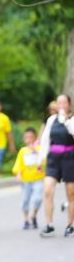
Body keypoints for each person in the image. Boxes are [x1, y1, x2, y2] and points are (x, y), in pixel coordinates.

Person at [38, 93, 74, 237]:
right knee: (47, 190)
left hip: (70, 158)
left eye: (64, 103)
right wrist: (40, 159)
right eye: (59, 103)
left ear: (69, 105)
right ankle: (49, 224)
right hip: (53, 158)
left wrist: (66, 121)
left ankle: (70, 224)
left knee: (71, 194)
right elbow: (45, 140)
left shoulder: (71, 120)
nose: (61, 106)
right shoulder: (51, 120)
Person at [12, 127, 45, 229]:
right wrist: (18, 174)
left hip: (38, 179)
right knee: (25, 201)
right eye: (27, 137)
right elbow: (18, 165)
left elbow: (45, 162)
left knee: (38, 199)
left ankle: (34, 215)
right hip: (26, 181)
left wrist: (36, 150)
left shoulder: (40, 149)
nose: (29, 139)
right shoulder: (23, 151)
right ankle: (26, 220)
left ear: (35, 138)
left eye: (31, 137)